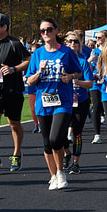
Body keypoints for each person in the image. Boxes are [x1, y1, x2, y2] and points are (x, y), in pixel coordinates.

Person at [25, 19, 82, 190]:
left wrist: (70, 77)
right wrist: (39, 72)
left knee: (55, 138)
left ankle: (61, 172)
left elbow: (78, 71)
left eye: (49, 30)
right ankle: (53, 175)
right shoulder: (38, 54)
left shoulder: (66, 52)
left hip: (62, 101)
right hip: (43, 102)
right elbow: (29, 81)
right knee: (47, 144)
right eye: (42, 31)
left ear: (56, 31)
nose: (46, 33)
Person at [0, 13, 31, 172]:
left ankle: (17, 153)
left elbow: (28, 60)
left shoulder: (14, 44)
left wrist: (14, 69)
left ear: (4, 27)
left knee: (14, 124)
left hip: (13, 90)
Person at [62, 33, 94, 174]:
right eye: (70, 41)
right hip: (64, 101)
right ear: (65, 43)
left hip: (81, 101)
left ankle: (76, 162)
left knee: (77, 133)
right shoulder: (60, 59)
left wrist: (76, 81)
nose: (73, 44)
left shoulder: (83, 62)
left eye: (76, 41)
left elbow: (90, 84)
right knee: (60, 133)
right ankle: (67, 153)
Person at [88, 30, 107, 145]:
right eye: (97, 37)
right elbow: (87, 68)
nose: (98, 39)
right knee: (96, 107)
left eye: (100, 37)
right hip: (96, 82)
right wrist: (90, 62)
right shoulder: (94, 52)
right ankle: (97, 134)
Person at [25, 42, 41, 133]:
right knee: (33, 108)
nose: (32, 54)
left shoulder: (42, 59)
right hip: (32, 88)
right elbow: (27, 72)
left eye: (34, 52)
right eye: (31, 51)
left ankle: (41, 124)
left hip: (40, 87)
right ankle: (36, 125)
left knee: (39, 106)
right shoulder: (30, 61)